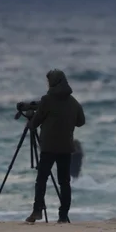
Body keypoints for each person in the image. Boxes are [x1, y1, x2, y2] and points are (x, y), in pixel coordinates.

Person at [26, 69, 85, 223]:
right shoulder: (73, 102)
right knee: (64, 182)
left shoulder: (47, 100)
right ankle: (63, 216)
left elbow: (35, 123)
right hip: (66, 147)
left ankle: (37, 211)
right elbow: (81, 121)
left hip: (48, 148)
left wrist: (31, 120)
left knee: (42, 179)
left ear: (53, 82)